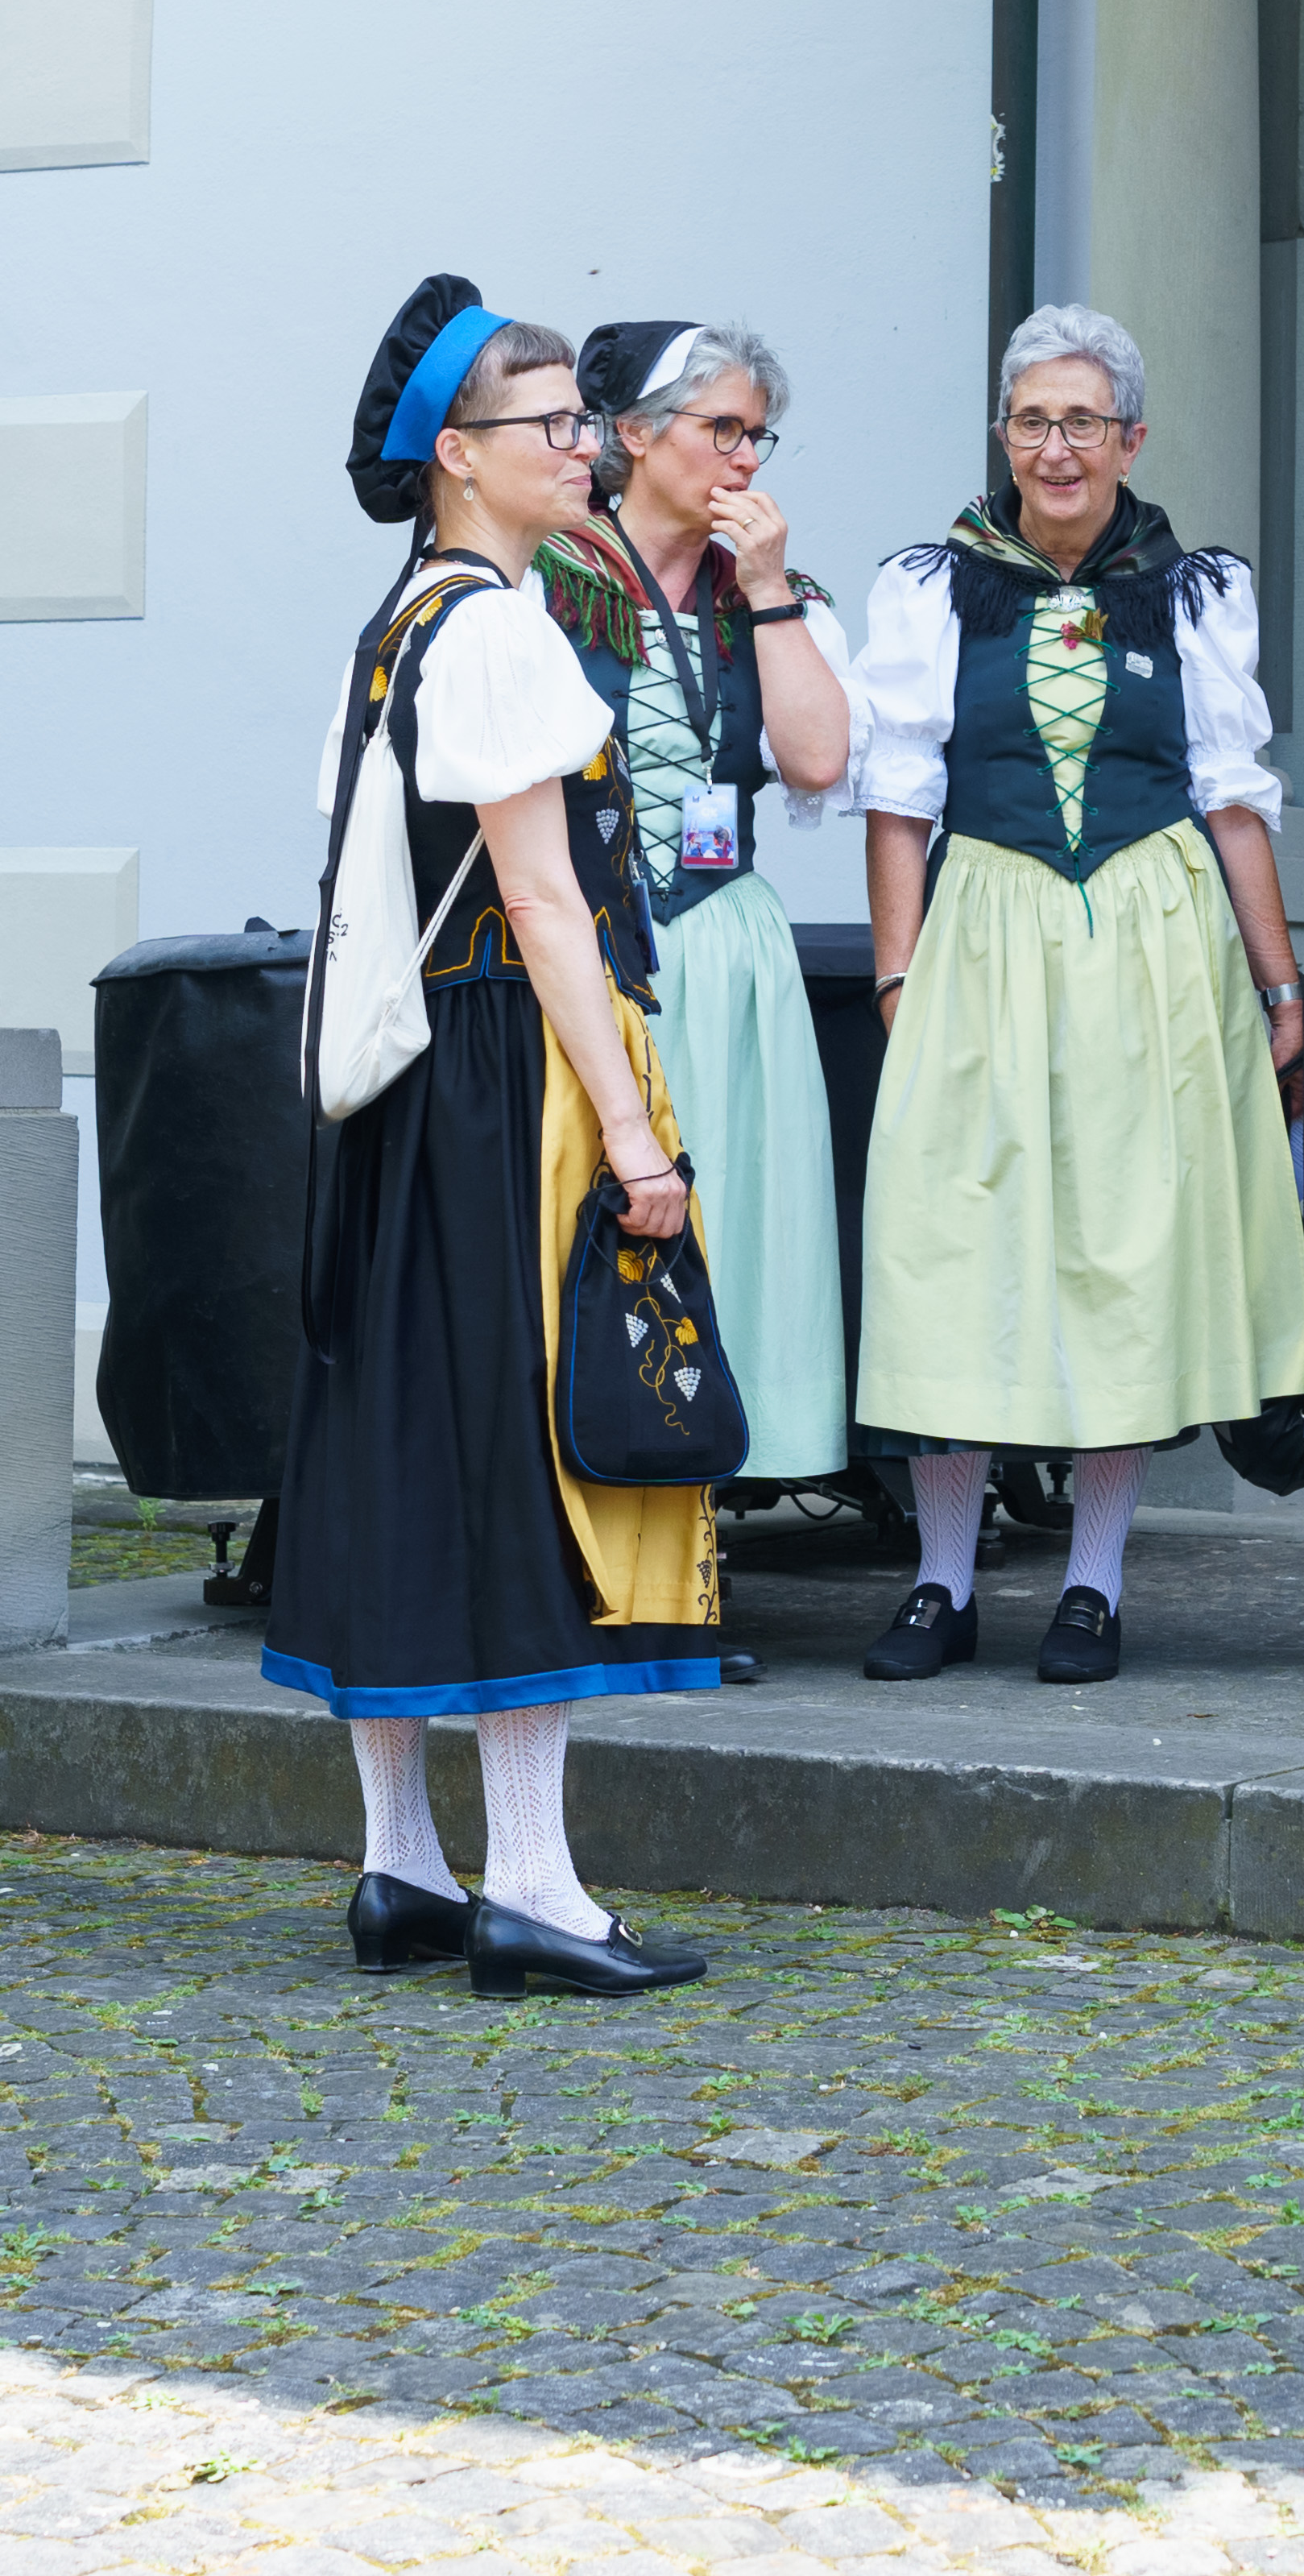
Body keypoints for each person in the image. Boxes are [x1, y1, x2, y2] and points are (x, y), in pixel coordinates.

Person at [266, 275, 718, 1996]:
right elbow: (542, 900)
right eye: (550, 425)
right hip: (503, 1076)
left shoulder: (398, 623)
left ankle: (401, 1869)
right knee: (521, 1448)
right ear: (459, 454)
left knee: (400, 1437)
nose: (582, 446)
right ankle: (530, 1887)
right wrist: (635, 1139)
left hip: (404, 1088)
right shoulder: (504, 630)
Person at [846, 304, 1304, 1684]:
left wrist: (1281, 983)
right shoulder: (934, 588)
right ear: (1005, 435)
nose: (1057, 448)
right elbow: (897, 799)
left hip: (1152, 936)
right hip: (982, 925)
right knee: (950, 1244)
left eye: (1083, 422)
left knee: (1124, 1251)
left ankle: (1093, 1582)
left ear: (1131, 440)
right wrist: (896, 972)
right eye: (1033, 421)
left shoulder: (1192, 591)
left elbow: (1233, 801)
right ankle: (941, 1579)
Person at [536, 322, 854, 1570]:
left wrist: (768, 589)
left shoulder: (766, 595)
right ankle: (580, 1538)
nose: (744, 455)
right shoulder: (545, 577)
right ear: (632, 435)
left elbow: (817, 760)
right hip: (588, 944)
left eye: (756, 434)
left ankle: (696, 1548)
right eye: (721, 427)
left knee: (732, 1238)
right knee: (590, 1237)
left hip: (723, 946)